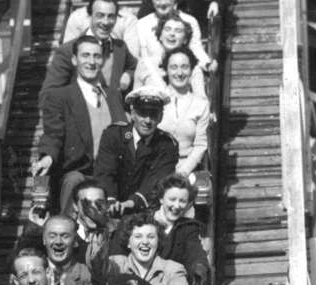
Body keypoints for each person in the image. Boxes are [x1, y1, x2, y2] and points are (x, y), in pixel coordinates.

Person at [34, 36, 126, 210]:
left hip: (111, 174)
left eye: (97, 56)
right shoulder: (60, 97)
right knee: (74, 182)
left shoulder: (113, 96)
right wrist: (47, 156)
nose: (91, 62)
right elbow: (53, 134)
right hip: (78, 173)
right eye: (85, 56)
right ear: (75, 60)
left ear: (103, 60)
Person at [93, 85, 181, 215]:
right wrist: (111, 202)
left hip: (146, 209)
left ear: (161, 117)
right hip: (110, 207)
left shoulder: (167, 145)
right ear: (133, 114)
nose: (147, 120)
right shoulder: (113, 135)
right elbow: (105, 173)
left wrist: (131, 203)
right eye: (142, 114)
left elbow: (156, 181)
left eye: (153, 115)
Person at [107, 214, 201, 285]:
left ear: (158, 242)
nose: (145, 242)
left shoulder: (171, 269)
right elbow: (99, 268)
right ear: (128, 243)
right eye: (138, 236)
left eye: (151, 237)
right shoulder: (118, 264)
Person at [45, 0, 136, 93]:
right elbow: (49, 94)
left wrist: (128, 75)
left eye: (111, 16)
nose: (105, 22)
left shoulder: (120, 47)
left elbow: (134, 67)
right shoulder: (68, 50)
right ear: (89, 16)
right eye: (100, 15)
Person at [134, 0, 215, 84]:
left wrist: (207, 64)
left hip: (181, 76)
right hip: (154, 76)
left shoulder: (189, 21)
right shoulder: (142, 24)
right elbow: (143, 56)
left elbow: (196, 49)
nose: (162, 3)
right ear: (152, 0)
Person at [155, 47, 212, 175]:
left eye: (185, 67)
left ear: (191, 70)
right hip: (155, 169)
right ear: (166, 70)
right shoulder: (156, 100)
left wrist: (182, 172)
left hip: (187, 171)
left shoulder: (201, 105)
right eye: (174, 67)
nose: (179, 73)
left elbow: (200, 145)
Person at [147, 173, 210, 285]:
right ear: (161, 199)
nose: (176, 206)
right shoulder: (145, 222)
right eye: (172, 199)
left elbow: (195, 250)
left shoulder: (187, 228)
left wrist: (199, 266)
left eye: (182, 201)